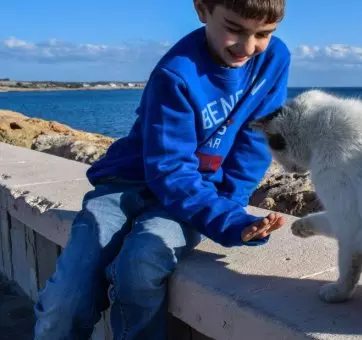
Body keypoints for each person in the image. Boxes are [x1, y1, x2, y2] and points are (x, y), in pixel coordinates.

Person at [33, 0, 289, 338]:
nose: (248, 46)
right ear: (202, 10)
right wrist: (227, 220)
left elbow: (254, 141)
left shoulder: (272, 60)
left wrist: (232, 206)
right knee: (68, 295)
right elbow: (169, 170)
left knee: (139, 267)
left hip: (191, 196)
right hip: (126, 184)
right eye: (234, 29)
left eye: (264, 33)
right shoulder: (177, 72)